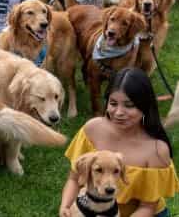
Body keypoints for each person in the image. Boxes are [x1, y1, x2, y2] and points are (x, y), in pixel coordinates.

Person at [60, 68, 177, 217]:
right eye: (113, 103)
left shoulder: (157, 150)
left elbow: (147, 207)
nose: (119, 112)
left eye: (129, 105)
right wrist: (65, 207)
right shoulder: (93, 129)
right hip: (92, 209)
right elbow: (74, 179)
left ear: (145, 106)